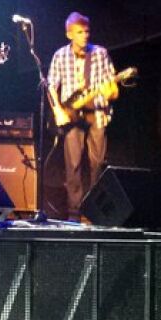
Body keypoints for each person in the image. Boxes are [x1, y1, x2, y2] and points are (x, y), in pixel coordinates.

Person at [47, 11, 119, 222]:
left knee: (98, 165)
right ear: (69, 34)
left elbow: (113, 91)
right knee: (74, 165)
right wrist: (58, 111)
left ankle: (95, 212)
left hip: (97, 113)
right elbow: (51, 85)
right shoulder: (60, 55)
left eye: (87, 31)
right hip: (72, 116)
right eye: (79, 32)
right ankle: (74, 213)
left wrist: (109, 91)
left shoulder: (100, 53)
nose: (85, 35)